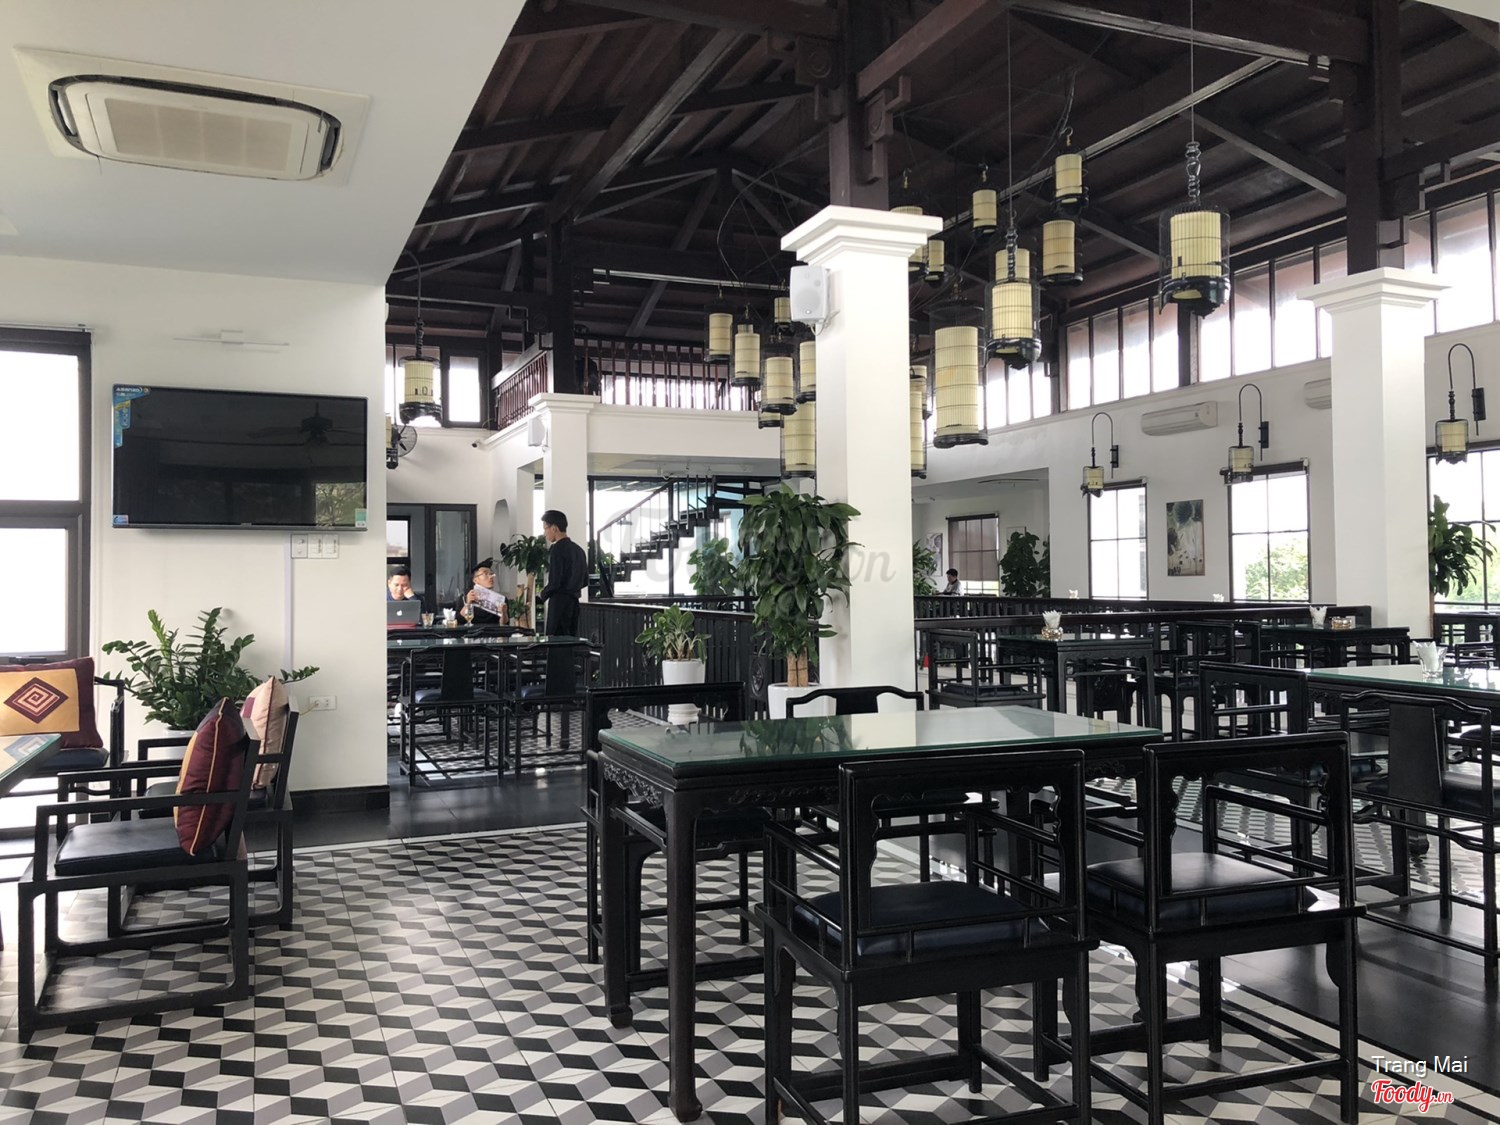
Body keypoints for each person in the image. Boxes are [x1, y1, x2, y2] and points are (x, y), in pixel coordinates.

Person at [537, 509, 588, 636]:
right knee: (571, 640)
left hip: (559, 604)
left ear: (554, 528)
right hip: (574, 604)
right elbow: (585, 581)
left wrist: (542, 595)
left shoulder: (557, 549)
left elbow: (555, 582)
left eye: (545, 528)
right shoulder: (579, 550)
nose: (544, 533)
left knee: (556, 642)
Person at [457, 558, 506, 626]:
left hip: (493, 631)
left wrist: (503, 612)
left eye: (491, 574)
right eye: (485, 574)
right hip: (472, 631)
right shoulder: (464, 597)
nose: (491, 577)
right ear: (475, 580)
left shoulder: (501, 600)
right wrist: (468, 604)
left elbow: (504, 624)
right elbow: (459, 621)